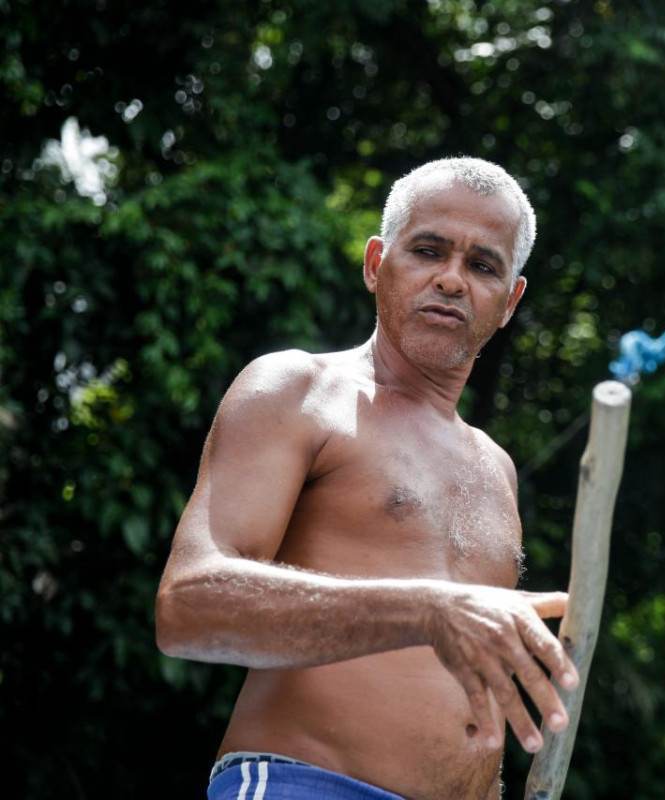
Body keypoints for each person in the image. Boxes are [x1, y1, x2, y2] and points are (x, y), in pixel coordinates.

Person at [155, 157, 580, 800]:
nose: (452, 280)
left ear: (511, 300)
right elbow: (187, 607)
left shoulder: (496, 467)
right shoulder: (298, 390)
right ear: (376, 262)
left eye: (483, 265)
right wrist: (426, 608)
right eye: (428, 251)